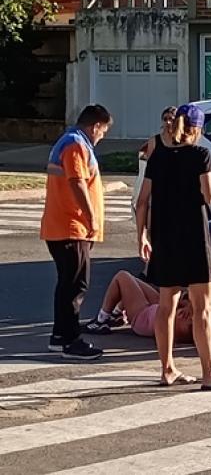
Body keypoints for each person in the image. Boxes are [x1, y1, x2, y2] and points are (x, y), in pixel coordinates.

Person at [135, 104, 211, 390]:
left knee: (166, 305)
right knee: (203, 306)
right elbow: (208, 195)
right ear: (197, 129)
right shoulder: (200, 155)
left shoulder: (158, 156)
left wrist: (141, 236)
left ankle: (167, 369)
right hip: (193, 235)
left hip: (164, 236)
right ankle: (210, 372)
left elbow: (142, 200)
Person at [41, 104, 112, 359]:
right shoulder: (76, 144)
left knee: (67, 284)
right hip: (71, 227)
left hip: (62, 226)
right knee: (75, 285)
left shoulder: (69, 141)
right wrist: (91, 218)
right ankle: (71, 341)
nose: (101, 137)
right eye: (103, 131)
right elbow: (77, 182)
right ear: (95, 126)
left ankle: (60, 336)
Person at [83, 271, 200, 350]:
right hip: (157, 308)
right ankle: (116, 313)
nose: (188, 316)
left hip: (142, 317)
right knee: (133, 281)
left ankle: (102, 319)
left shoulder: (180, 328)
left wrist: (187, 308)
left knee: (122, 276)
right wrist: (187, 304)